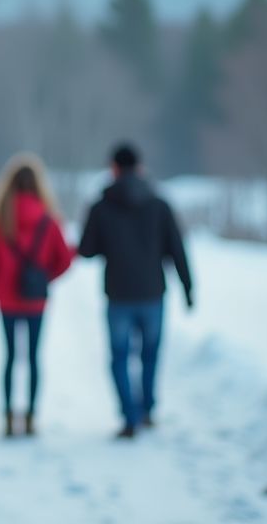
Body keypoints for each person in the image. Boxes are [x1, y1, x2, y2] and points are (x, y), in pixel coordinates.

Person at [77, 142, 193, 440]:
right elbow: (177, 250)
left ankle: (130, 416)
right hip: (154, 294)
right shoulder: (160, 204)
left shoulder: (101, 206)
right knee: (150, 354)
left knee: (119, 357)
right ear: (140, 168)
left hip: (118, 295)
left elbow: (87, 250)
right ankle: (148, 410)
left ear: (113, 169)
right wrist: (188, 287)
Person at [0, 153, 73, 438]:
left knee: (8, 358)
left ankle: (7, 415)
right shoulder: (49, 219)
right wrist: (45, 278)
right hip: (35, 301)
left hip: (6, 300)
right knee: (32, 358)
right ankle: (31, 416)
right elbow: (64, 259)